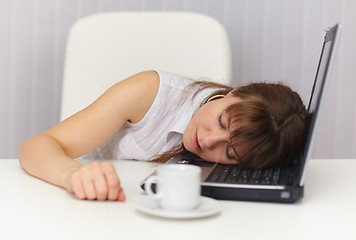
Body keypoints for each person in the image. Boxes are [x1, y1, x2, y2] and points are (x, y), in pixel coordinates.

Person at [19, 70, 309, 201]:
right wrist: (73, 176)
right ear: (234, 93)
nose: (208, 142)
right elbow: (37, 146)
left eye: (230, 153)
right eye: (221, 122)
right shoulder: (150, 92)